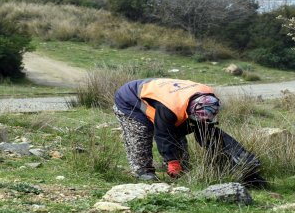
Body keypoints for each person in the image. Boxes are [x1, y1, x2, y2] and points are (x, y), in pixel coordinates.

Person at [113, 78, 267, 187]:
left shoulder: (208, 97)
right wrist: (172, 161)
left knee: (203, 130)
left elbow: (208, 131)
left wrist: (242, 158)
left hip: (169, 97)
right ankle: (143, 170)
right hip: (131, 98)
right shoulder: (170, 109)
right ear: (190, 110)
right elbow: (163, 134)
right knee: (142, 131)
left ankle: (243, 161)